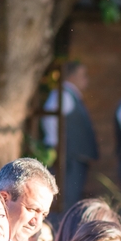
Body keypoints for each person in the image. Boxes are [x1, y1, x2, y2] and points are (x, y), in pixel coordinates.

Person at [42, 61, 99, 210]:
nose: (86, 79)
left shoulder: (70, 95)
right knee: (66, 199)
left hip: (73, 157)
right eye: (83, 75)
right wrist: (55, 143)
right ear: (72, 76)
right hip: (69, 158)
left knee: (71, 197)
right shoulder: (64, 95)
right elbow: (49, 118)